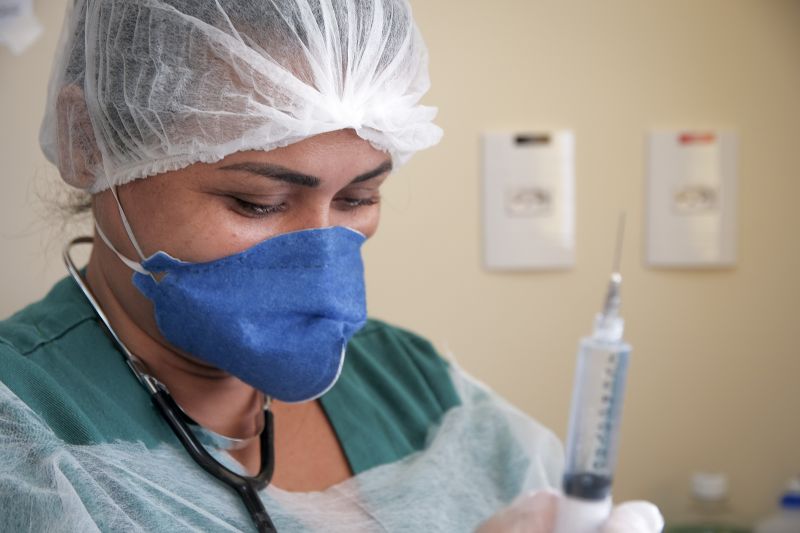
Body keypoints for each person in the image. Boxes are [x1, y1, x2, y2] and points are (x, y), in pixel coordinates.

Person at [0, 1, 663, 531]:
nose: (320, 250)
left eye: (358, 197)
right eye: (256, 201)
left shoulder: (417, 386)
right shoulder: (21, 433)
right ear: (91, 144)